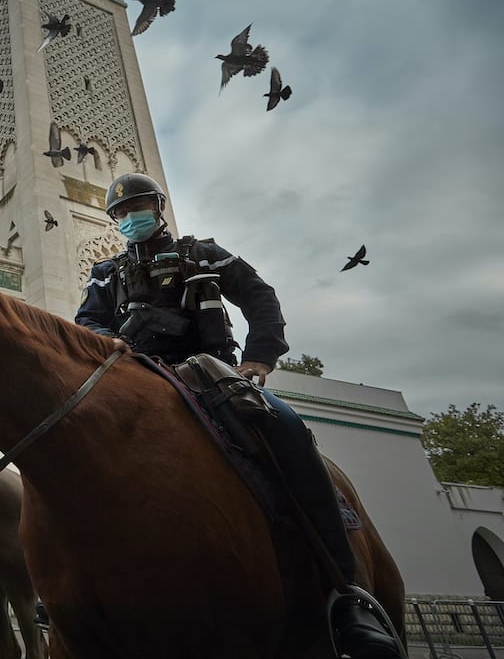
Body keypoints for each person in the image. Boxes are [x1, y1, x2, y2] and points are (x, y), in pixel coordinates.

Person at [75, 173, 401, 659]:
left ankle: (347, 592)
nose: (130, 218)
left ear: (158, 208)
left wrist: (258, 359)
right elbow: (87, 323)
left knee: (286, 429)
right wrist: (113, 343)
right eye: (121, 213)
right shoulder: (106, 273)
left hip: (211, 375)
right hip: (138, 377)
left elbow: (259, 296)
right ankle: (73, 585)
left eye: (138, 207)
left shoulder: (201, 254)